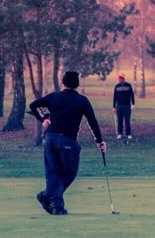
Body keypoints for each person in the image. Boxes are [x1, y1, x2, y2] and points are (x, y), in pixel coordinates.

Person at [30, 71, 107, 215]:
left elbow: (33, 105)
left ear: (63, 82)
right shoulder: (82, 101)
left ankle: (55, 204)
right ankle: (49, 197)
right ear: (76, 84)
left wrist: (43, 119)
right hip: (67, 141)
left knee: (53, 173)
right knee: (69, 172)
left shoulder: (54, 96)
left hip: (50, 139)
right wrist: (99, 141)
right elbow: (92, 121)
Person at [112, 73, 135, 141]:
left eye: (121, 79)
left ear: (123, 79)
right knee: (120, 120)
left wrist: (133, 104)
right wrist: (114, 107)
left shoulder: (128, 85)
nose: (120, 80)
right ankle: (120, 133)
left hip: (127, 106)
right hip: (119, 106)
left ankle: (128, 134)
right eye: (119, 79)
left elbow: (132, 95)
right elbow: (115, 97)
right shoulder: (117, 86)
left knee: (127, 121)